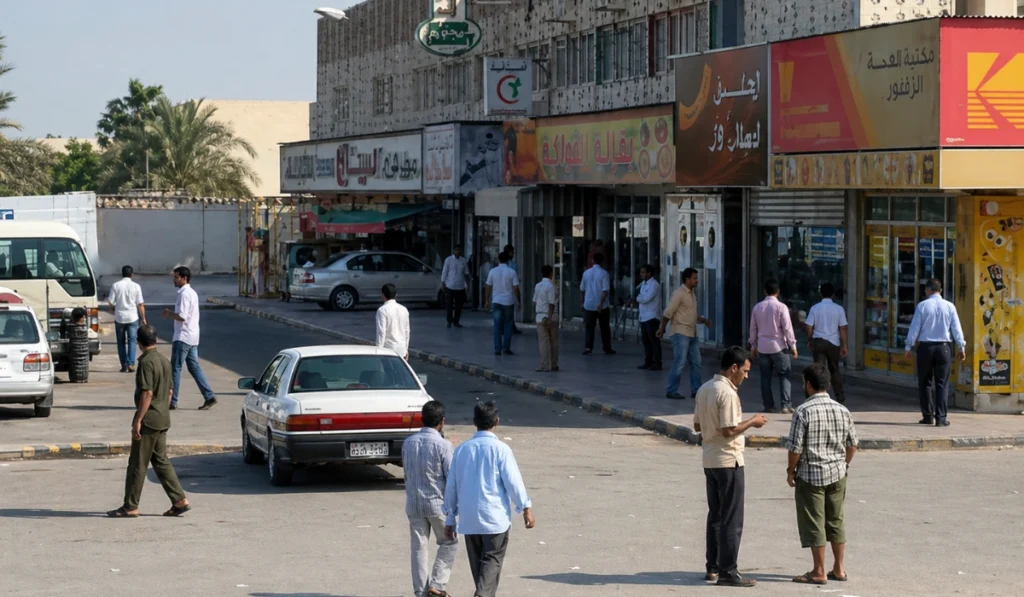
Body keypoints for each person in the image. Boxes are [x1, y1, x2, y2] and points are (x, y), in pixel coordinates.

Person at [692, 346, 768, 588]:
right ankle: (728, 570)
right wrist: (753, 422)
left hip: (710, 459)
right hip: (728, 461)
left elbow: (697, 426)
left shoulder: (705, 389)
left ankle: (712, 567)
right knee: (732, 519)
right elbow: (728, 430)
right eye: (744, 371)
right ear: (733, 368)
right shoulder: (727, 393)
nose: (746, 376)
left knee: (716, 515)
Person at [444, 401, 535, 597]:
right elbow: (513, 482)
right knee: (492, 561)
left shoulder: (462, 450)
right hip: (495, 519)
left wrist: (450, 517)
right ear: (497, 421)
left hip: (469, 519)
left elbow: (451, 486)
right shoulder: (501, 449)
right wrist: (525, 508)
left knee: (480, 568)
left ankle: (483, 593)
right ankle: (482, 595)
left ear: (474, 422)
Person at [106, 325, 190, 519]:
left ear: (139, 342)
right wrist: (162, 409)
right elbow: (169, 391)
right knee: (160, 461)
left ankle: (130, 505)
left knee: (137, 463)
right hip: (162, 417)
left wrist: (138, 420)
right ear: (156, 339)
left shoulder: (146, 363)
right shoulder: (164, 361)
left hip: (150, 419)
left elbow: (147, 393)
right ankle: (179, 500)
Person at [786, 363, 858, 585]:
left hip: (810, 475)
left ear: (808, 385)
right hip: (838, 473)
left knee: (814, 521)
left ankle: (819, 571)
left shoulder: (803, 411)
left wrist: (791, 471)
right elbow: (853, 444)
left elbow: (795, 448)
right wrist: (843, 463)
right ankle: (839, 568)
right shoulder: (843, 410)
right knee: (836, 520)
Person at [403, 401, 458, 597]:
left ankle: (420, 592)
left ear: (421, 419)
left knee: (419, 548)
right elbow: (452, 479)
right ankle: (437, 583)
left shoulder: (408, 443)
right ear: (442, 422)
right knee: (449, 542)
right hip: (438, 505)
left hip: (414, 504)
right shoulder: (443, 445)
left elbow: (407, 475)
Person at [905, 278, 966, 427]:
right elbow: (956, 329)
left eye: (925, 289)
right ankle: (941, 418)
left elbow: (915, 328)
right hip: (944, 348)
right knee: (942, 384)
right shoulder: (950, 306)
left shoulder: (922, 306)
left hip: (925, 348)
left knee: (925, 382)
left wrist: (908, 346)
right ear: (941, 290)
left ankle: (927, 416)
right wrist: (961, 347)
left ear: (928, 290)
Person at [162, 266, 216, 411]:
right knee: (194, 367)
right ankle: (209, 396)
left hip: (183, 337)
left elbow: (182, 316)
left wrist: (169, 314)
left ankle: (172, 400)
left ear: (184, 278)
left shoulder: (184, 294)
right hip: (192, 336)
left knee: (175, 369)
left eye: (176, 277)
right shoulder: (192, 293)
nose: (174, 280)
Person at [658, 268, 710, 399]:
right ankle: (671, 390)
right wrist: (661, 328)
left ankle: (696, 390)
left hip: (692, 333)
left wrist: (703, 320)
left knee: (696, 363)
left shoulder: (692, 294)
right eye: (694, 278)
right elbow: (667, 313)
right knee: (679, 362)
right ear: (687, 279)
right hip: (680, 332)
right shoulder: (679, 293)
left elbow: (690, 313)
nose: (696, 280)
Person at [749, 279, 798, 414]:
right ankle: (786, 405)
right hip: (779, 347)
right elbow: (787, 328)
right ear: (778, 291)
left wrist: (753, 346)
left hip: (763, 347)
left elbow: (753, 329)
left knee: (765, 377)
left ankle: (768, 405)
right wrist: (793, 346)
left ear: (765, 291)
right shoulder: (781, 307)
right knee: (784, 375)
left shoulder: (757, 307)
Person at [805, 283, 849, 403]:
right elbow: (843, 328)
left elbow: (808, 326)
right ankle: (840, 396)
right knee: (834, 369)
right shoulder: (839, 309)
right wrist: (844, 345)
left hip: (818, 341)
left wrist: (810, 340)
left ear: (821, 294)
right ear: (833, 295)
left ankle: (820, 394)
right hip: (833, 343)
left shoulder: (815, 308)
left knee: (819, 370)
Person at [107, 265, 146, 373]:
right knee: (132, 341)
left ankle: (124, 364)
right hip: (133, 317)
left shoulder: (116, 285)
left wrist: (112, 309)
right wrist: (143, 318)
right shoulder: (136, 286)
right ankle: (131, 363)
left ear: (122, 274)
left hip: (120, 317)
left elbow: (110, 301)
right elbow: (140, 304)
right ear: (132, 275)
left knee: (121, 342)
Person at [484, 252, 520, 356]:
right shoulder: (512, 272)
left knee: (497, 325)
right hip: (508, 302)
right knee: (508, 325)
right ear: (508, 260)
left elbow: (488, 286)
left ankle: (497, 349)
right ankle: (506, 348)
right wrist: (519, 301)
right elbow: (516, 288)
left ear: (498, 260)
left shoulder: (493, 271)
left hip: (496, 301)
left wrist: (486, 300)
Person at [580, 252, 615, 356]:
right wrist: (600, 303)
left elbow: (582, 289)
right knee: (604, 327)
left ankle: (588, 347)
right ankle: (606, 348)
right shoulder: (604, 273)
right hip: (602, 306)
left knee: (589, 327)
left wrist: (582, 302)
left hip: (589, 304)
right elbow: (605, 290)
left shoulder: (586, 273)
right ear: (602, 262)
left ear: (592, 260)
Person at [636, 264, 662, 371]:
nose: (641, 274)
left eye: (643, 272)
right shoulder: (643, 284)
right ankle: (648, 361)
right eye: (641, 272)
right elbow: (641, 296)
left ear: (649, 273)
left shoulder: (654, 285)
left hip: (652, 316)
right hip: (643, 316)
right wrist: (639, 298)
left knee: (654, 341)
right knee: (646, 341)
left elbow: (646, 298)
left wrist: (638, 298)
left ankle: (657, 363)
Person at [533, 264, 559, 372]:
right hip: (550, 316)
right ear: (551, 274)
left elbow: (534, 301)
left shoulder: (538, 286)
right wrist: (549, 318)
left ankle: (544, 365)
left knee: (543, 342)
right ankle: (553, 364)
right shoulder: (552, 286)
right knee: (553, 341)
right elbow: (552, 303)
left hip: (539, 315)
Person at [376, 283, 411, 360]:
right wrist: (406, 349)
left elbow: (381, 333)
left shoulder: (382, 310)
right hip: (402, 350)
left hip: (388, 350)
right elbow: (407, 331)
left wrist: (378, 351)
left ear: (383, 295)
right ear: (396, 295)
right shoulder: (404, 309)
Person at [441, 245, 469, 329]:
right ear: (453, 251)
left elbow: (466, 273)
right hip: (450, 285)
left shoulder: (463, 261)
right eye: (456, 250)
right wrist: (443, 282)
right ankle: (449, 321)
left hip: (460, 286)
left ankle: (456, 321)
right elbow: (445, 271)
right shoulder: (448, 260)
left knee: (459, 305)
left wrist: (468, 285)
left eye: (459, 250)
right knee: (449, 305)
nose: (458, 252)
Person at [503, 244, 522, 335]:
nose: (513, 254)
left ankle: (507, 327)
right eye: (512, 252)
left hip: (500, 291)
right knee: (510, 310)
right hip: (510, 290)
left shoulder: (498, 266)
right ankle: (510, 327)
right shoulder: (513, 265)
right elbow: (515, 282)